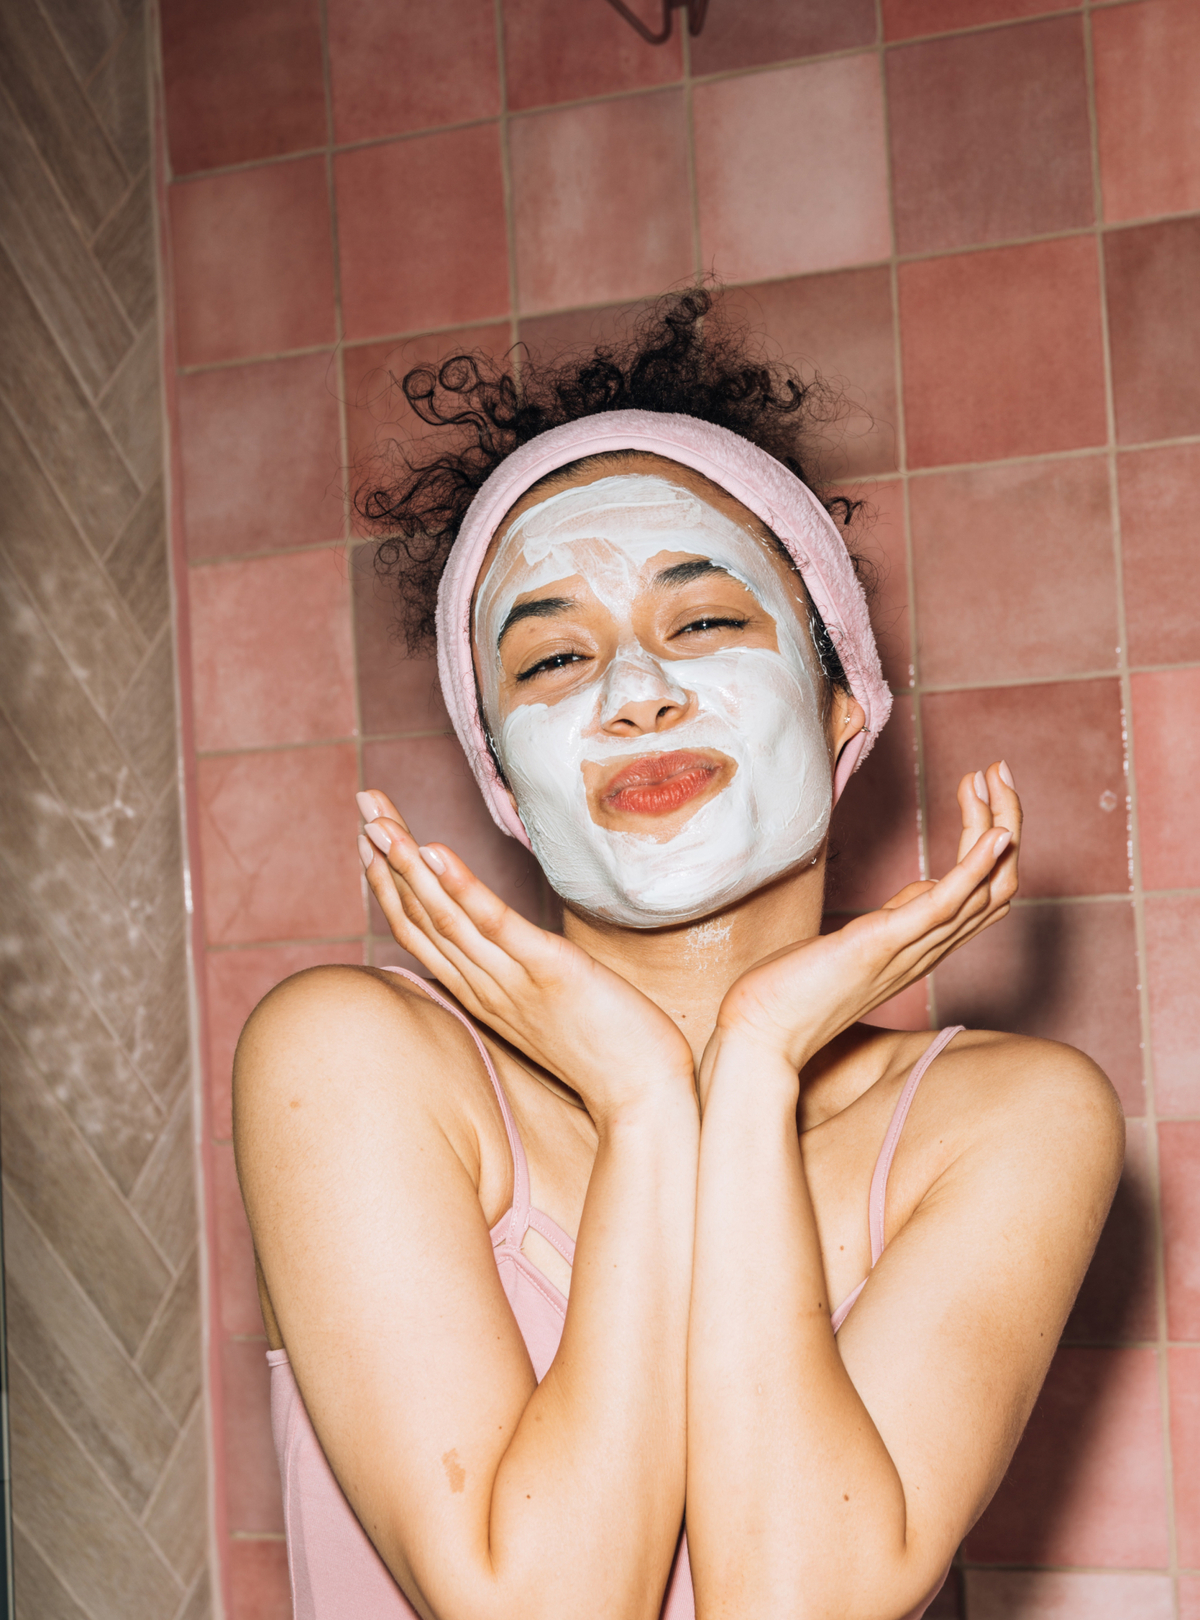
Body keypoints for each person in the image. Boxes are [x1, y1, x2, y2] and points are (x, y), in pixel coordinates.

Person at [234, 291, 1122, 1620]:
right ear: (505, 782)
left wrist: (754, 1064)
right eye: (552, 657)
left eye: (702, 623)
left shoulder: (1008, 1118)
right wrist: (647, 1100)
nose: (633, 693)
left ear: (845, 703)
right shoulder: (351, 1062)